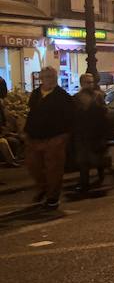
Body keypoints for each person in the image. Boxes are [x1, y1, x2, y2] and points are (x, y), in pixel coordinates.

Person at [24, 66, 74, 209]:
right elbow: (31, 114)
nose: (49, 79)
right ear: (41, 78)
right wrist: (26, 132)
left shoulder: (62, 96)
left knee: (54, 169)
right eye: (46, 77)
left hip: (55, 138)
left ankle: (52, 197)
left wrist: (63, 136)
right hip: (34, 137)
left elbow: (70, 118)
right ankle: (42, 188)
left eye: (51, 76)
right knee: (34, 166)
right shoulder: (35, 94)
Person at [71, 73, 108, 194]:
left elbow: (104, 115)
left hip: (96, 133)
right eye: (88, 82)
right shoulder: (76, 98)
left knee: (97, 157)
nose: (90, 84)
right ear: (82, 83)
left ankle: (101, 177)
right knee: (83, 160)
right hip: (82, 133)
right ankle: (84, 182)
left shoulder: (98, 96)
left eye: (92, 82)